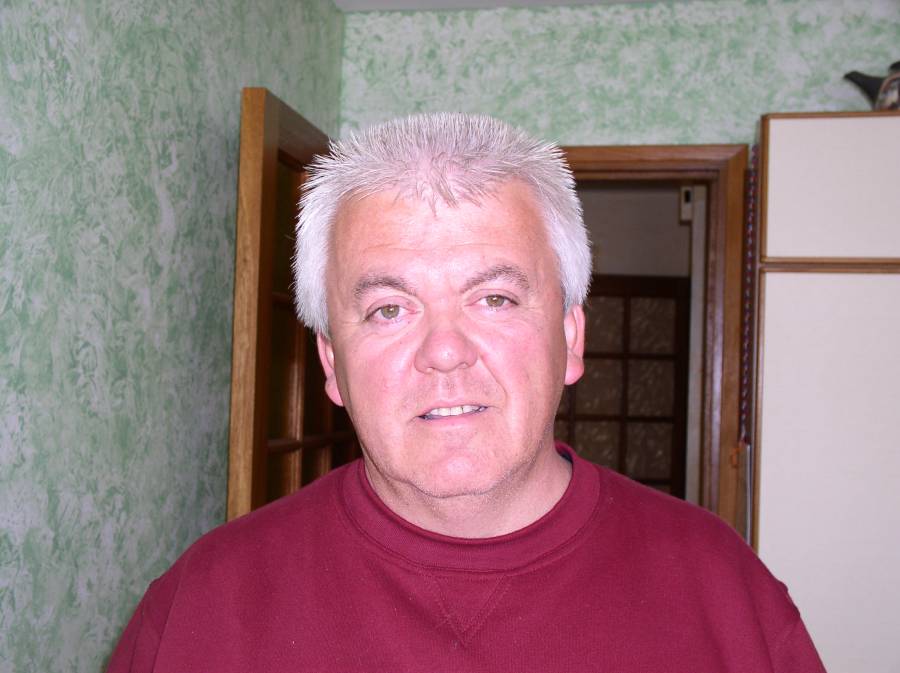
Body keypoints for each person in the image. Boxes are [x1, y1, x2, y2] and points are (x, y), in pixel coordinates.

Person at [107, 113, 825, 672]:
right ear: (331, 363)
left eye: (494, 299)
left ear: (571, 338)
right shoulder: (202, 607)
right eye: (389, 309)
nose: (444, 351)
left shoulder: (723, 592)